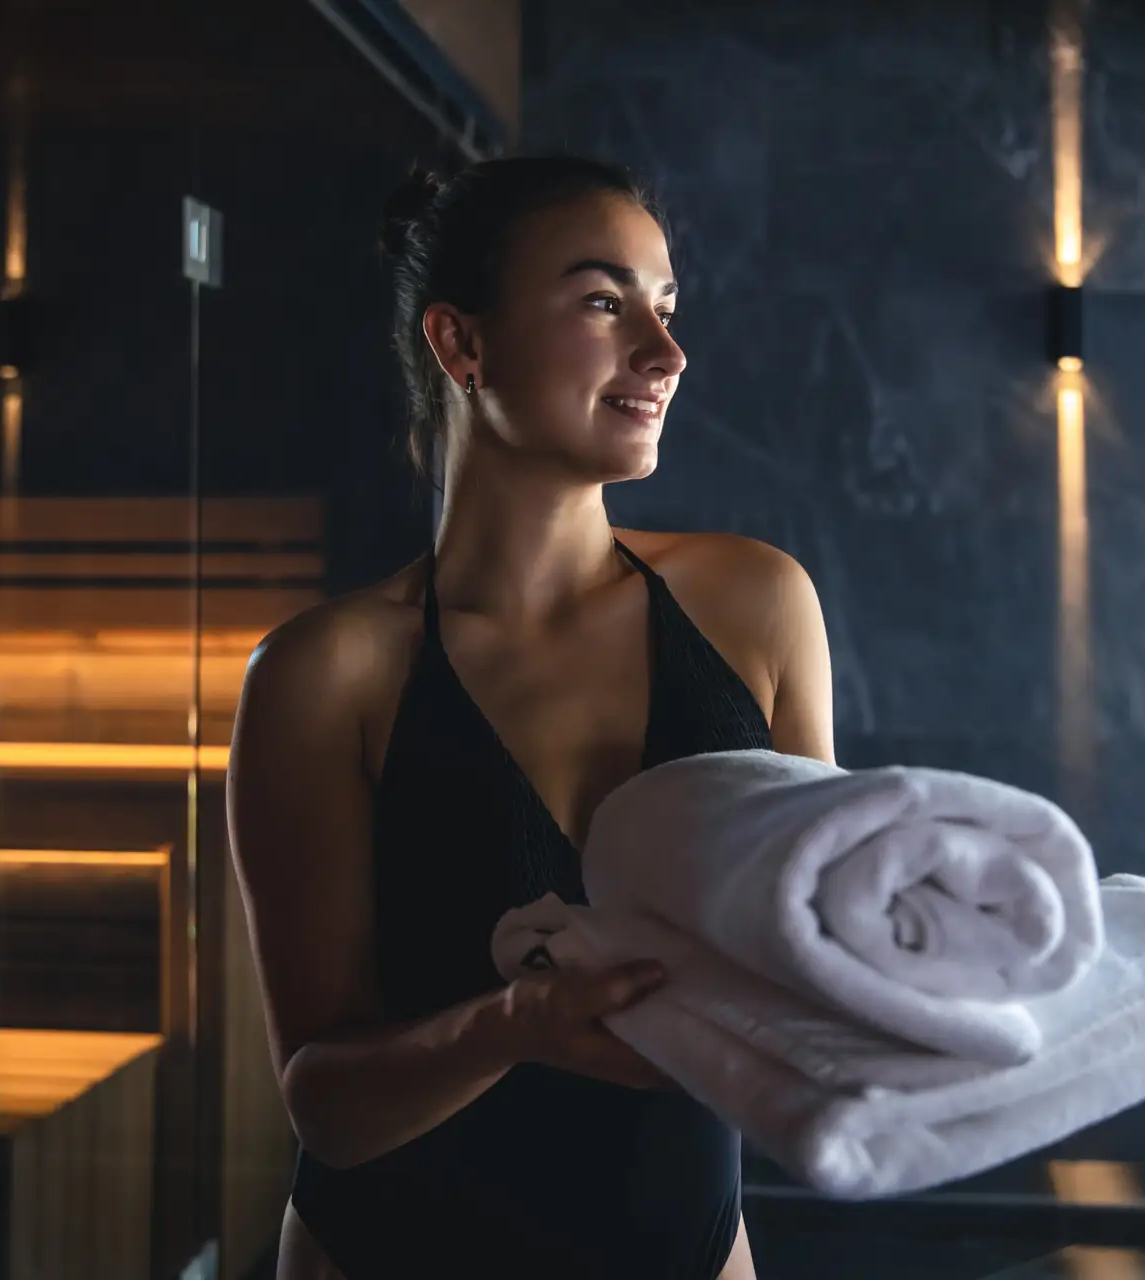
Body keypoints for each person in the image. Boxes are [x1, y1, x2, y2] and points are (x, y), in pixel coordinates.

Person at [226, 155, 836, 1279]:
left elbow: (819, 950)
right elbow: (327, 1106)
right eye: (606, 303)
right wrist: (512, 1026)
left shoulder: (757, 607)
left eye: (666, 307)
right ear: (460, 344)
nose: (666, 352)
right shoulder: (329, 673)